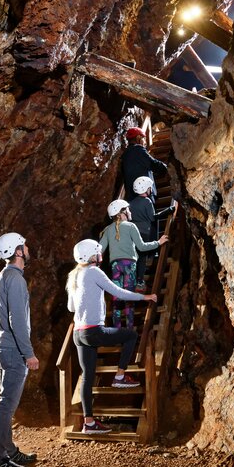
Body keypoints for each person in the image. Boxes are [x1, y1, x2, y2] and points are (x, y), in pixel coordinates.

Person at [67, 239, 158, 434]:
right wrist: (145, 297)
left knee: (87, 377)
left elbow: (71, 307)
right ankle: (119, 375)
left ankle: (89, 424)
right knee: (131, 336)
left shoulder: (74, 276)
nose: (101, 255)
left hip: (78, 334)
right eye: (99, 252)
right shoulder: (93, 272)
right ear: (93, 255)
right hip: (93, 331)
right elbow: (117, 292)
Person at [0, 232, 39, 467]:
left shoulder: (2, 277)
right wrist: (28, 353)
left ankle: (8, 450)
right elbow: (17, 320)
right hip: (12, 349)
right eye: (24, 245)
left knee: (5, 402)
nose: (28, 248)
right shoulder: (16, 280)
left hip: (3, 346)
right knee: (6, 405)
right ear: (18, 252)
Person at [99, 199, 168, 329]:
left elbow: (99, 249)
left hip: (115, 266)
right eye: (127, 209)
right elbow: (141, 247)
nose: (130, 211)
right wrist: (158, 242)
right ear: (122, 212)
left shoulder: (108, 230)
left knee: (116, 297)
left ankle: (117, 330)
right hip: (129, 265)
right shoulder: (131, 226)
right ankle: (129, 330)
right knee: (129, 298)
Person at [128, 176, 177, 292]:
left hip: (132, 233)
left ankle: (130, 282)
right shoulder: (147, 201)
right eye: (150, 188)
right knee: (142, 258)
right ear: (146, 189)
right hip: (144, 233)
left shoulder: (131, 202)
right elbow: (153, 217)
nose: (151, 189)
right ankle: (139, 282)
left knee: (135, 257)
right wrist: (169, 210)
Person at [121, 127, 168, 202]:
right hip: (145, 193)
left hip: (132, 198)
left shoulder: (124, 155)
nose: (144, 141)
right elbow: (153, 163)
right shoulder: (138, 149)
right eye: (143, 138)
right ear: (138, 138)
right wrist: (167, 168)